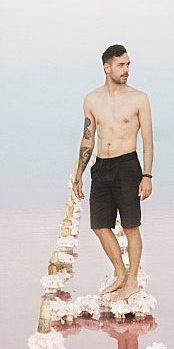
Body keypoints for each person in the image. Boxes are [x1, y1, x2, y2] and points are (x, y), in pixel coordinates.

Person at [72, 44, 153, 301]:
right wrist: (78, 174)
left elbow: (148, 141)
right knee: (99, 225)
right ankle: (120, 273)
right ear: (107, 67)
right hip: (101, 167)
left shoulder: (139, 98)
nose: (126, 69)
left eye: (128, 64)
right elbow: (87, 139)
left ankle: (132, 281)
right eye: (121, 65)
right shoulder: (91, 99)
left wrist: (147, 176)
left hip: (128, 166)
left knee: (131, 226)